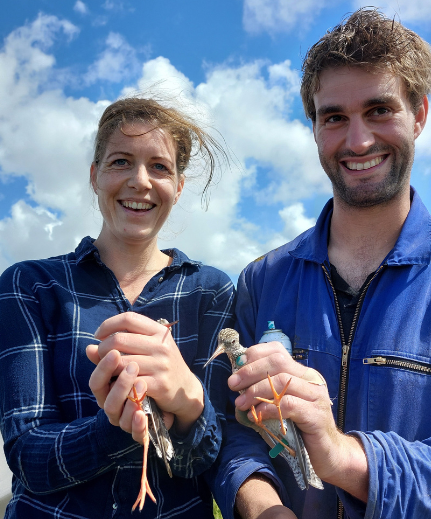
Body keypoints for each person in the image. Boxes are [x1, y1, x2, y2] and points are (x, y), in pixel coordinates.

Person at [222, 8, 431, 518]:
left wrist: (348, 459)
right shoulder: (261, 280)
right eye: (334, 117)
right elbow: (234, 430)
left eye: (380, 110)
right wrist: (262, 506)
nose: (358, 141)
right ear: (314, 127)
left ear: (419, 114)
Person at [0, 98, 287, 517]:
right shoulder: (29, 285)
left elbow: (207, 459)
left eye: (159, 167)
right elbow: (28, 457)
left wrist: (190, 402)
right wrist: (119, 428)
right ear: (95, 175)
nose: (140, 181)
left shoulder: (211, 291)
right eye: (120, 162)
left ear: (179, 186)